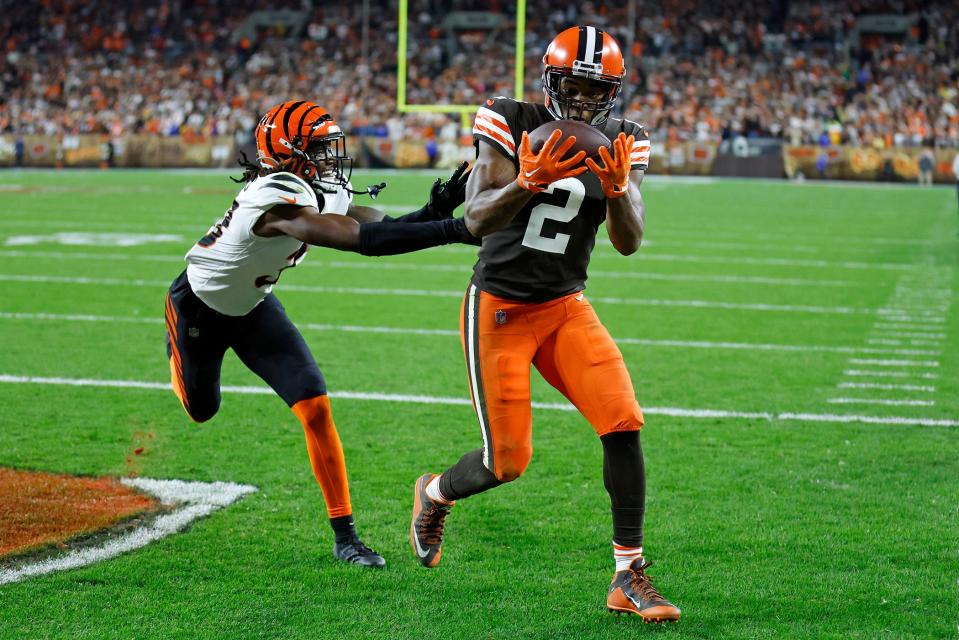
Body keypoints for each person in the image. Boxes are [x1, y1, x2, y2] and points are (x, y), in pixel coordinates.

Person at [408, 27, 681, 623]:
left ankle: (627, 574)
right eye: (575, 89)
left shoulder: (625, 138)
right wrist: (526, 181)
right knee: (506, 463)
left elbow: (630, 242)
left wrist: (616, 192)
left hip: (565, 306)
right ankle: (433, 493)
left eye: (596, 91)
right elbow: (476, 217)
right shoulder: (507, 118)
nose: (583, 103)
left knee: (623, 420)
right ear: (551, 82)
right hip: (501, 309)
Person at [165, 100, 475, 568]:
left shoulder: (313, 187)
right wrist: (453, 229)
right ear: (289, 154)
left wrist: (433, 211)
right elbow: (361, 242)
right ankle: (177, 354)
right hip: (199, 308)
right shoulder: (273, 198)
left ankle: (346, 537)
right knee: (202, 410)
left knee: (315, 406)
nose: (332, 157)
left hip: (253, 306)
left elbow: (379, 225)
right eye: (319, 148)